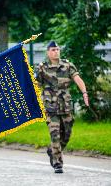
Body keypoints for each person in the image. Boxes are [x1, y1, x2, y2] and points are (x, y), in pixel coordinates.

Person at [35, 41, 89, 174]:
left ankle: (52, 151)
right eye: (53, 50)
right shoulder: (42, 67)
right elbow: (36, 85)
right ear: (48, 52)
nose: (56, 52)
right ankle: (58, 163)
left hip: (65, 106)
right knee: (55, 135)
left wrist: (85, 93)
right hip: (50, 107)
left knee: (67, 134)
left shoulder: (67, 65)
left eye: (57, 49)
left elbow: (78, 79)